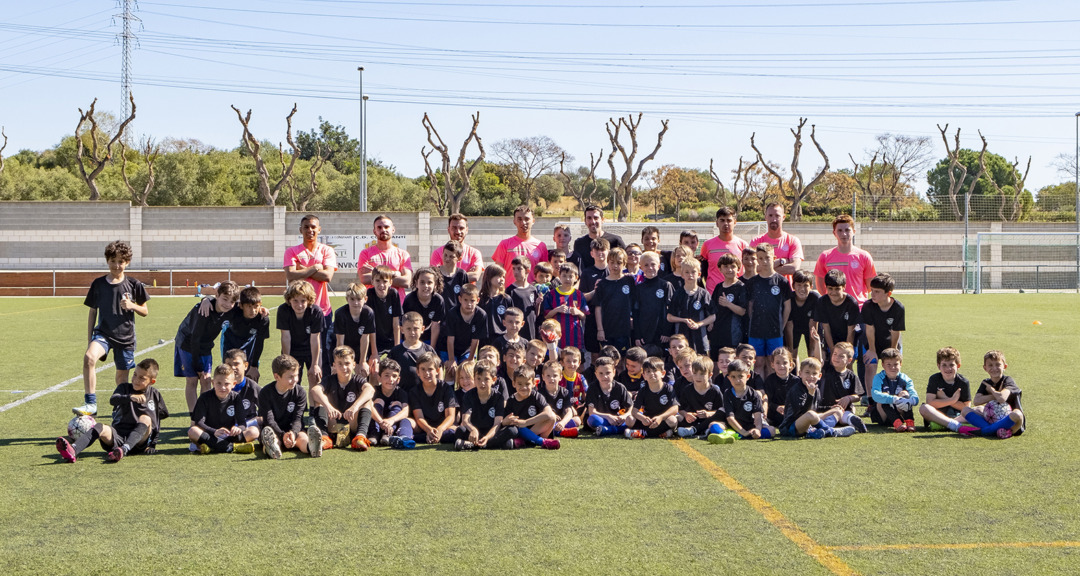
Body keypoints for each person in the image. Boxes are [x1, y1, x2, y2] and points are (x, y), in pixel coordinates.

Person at [75, 240, 150, 417]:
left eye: (121, 262)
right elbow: (93, 312)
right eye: (113, 261)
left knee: (121, 378)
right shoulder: (98, 284)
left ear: (127, 262)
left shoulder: (134, 285)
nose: (117, 265)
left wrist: (132, 305)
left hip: (125, 337)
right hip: (103, 334)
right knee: (89, 358)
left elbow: (145, 311)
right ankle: (90, 404)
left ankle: (119, 409)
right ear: (107, 261)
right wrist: (89, 340)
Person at [56, 358, 167, 463]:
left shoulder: (155, 395)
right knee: (100, 426)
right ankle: (73, 450)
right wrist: (129, 397)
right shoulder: (124, 388)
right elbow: (113, 400)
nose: (136, 380)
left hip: (138, 443)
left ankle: (124, 450)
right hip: (117, 436)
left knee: (146, 418)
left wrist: (152, 445)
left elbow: (157, 421)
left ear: (152, 381)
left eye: (142, 378)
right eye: (134, 375)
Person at [176, 281, 242, 412]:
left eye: (231, 301)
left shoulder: (230, 307)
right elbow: (195, 339)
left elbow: (247, 302)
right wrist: (197, 365)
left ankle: (203, 414)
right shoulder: (203, 311)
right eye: (225, 299)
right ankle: (193, 416)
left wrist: (262, 309)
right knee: (192, 380)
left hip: (206, 346)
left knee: (206, 380)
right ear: (217, 295)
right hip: (187, 344)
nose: (228, 304)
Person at [283, 214, 337, 374]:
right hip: (298, 311)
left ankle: (323, 396)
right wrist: (315, 268)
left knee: (323, 359)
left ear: (319, 229)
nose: (310, 230)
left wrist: (302, 269)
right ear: (300, 230)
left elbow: (327, 276)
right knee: (295, 359)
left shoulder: (327, 251)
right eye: (306, 227)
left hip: (322, 311)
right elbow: (290, 275)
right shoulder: (292, 251)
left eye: (313, 227)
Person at [309, 346, 375, 452]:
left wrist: (354, 407)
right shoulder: (329, 380)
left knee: (367, 401)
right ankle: (325, 438)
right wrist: (329, 407)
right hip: (334, 424)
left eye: (347, 363)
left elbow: (370, 389)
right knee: (319, 400)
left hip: (352, 423)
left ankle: (360, 437)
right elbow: (315, 390)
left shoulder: (357, 379)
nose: (344, 367)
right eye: (340, 364)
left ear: (354, 365)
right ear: (334, 365)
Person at [187, 364, 259, 454]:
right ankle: (232, 447)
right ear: (213, 383)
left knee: (254, 431)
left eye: (227, 384)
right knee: (192, 431)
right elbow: (199, 422)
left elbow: (242, 423)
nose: (223, 387)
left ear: (233, 384)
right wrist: (214, 431)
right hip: (210, 434)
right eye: (219, 383)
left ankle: (212, 446)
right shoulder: (204, 397)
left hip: (229, 435)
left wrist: (238, 429)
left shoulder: (236, 397)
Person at [745, 244, 793, 375]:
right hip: (756, 331)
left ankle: (772, 393)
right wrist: (754, 321)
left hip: (775, 331)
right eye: (760, 258)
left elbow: (787, 307)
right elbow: (750, 306)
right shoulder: (753, 282)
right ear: (757, 260)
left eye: (767, 257)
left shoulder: (782, 281)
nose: (764, 261)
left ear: (774, 257)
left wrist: (781, 325)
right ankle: (760, 392)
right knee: (758, 362)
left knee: (774, 363)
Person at [779, 357, 853, 439]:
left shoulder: (816, 389)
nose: (811, 376)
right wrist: (810, 394)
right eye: (807, 372)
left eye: (814, 373)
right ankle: (831, 431)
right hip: (791, 427)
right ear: (800, 374)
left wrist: (831, 408)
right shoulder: (796, 390)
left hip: (809, 423)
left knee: (838, 412)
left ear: (819, 376)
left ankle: (816, 433)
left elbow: (816, 408)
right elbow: (802, 413)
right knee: (811, 414)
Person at [258, 354, 315, 459]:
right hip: (274, 430)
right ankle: (273, 448)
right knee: (273, 438)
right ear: (277, 376)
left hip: (293, 430)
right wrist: (282, 435)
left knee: (302, 437)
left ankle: (311, 447)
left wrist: (293, 433)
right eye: (290, 377)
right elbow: (269, 420)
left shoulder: (300, 392)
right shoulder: (265, 393)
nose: (295, 380)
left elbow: (297, 418)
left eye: (296, 375)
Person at [959, 350, 1025, 438]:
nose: (994, 368)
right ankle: (994, 430)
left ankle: (983, 431)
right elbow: (977, 401)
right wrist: (994, 395)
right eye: (990, 365)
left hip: (1011, 422)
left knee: (1017, 414)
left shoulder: (1008, 380)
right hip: (992, 419)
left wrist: (992, 390)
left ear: (1004, 366)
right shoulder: (986, 382)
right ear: (985, 368)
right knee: (965, 410)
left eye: (998, 364)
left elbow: (1002, 398)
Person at [814, 214, 876, 305]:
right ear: (834, 233)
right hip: (833, 308)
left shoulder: (864, 256)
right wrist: (833, 299)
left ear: (854, 231)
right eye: (839, 230)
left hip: (858, 308)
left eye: (847, 230)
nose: (844, 234)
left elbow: (870, 286)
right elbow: (820, 285)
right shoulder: (825, 256)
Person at [455, 360, 516, 450]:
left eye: (486, 379)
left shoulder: (498, 397)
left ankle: (476, 444)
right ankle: (496, 444)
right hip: (474, 431)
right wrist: (473, 429)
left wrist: (487, 437)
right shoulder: (468, 395)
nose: (482, 383)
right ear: (474, 378)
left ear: (493, 380)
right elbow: (465, 420)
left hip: (491, 432)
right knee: (460, 431)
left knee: (513, 430)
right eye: (478, 379)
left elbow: (497, 424)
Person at [861, 273, 905, 395]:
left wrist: (893, 351)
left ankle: (893, 397)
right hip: (872, 341)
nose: (872, 294)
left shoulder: (898, 307)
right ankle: (870, 400)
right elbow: (869, 329)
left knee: (893, 368)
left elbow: (896, 332)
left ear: (888, 293)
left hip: (891, 342)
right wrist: (872, 350)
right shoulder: (868, 306)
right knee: (870, 365)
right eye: (872, 290)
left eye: (877, 292)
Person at [276, 280, 323, 389]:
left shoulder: (316, 312)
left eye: (303, 301)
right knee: (291, 380)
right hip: (293, 350)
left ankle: (314, 406)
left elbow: (315, 339)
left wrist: (315, 364)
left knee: (315, 378)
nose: (299, 305)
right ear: (289, 300)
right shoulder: (284, 310)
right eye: (295, 301)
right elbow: (285, 337)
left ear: (309, 300)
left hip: (311, 350)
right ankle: (294, 405)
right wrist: (287, 360)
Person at [357, 214, 413, 303]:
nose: (383, 230)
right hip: (373, 304)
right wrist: (395, 273)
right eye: (379, 227)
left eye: (386, 227)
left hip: (397, 305)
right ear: (374, 231)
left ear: (393, 229)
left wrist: (375, 273)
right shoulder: (365, 253)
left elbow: (406, 282)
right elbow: (364, 279)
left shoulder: (403, 254)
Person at [918, 346, 975, 433]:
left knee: (979, 410)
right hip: (938, 415)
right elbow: (930, 402)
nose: (948, 369)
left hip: (958, 416)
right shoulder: (934, 379)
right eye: (944, 365)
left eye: (951, 365)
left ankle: (946, 424)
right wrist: (952, 400)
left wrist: (945, 398)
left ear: (958, 365)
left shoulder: (963, 382)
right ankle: (954, 425)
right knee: (924, 408)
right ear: (938, 366)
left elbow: (966, 407)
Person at [220, 286, 271, 382]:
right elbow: (218, 303)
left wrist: (254, 366)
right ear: (241, 305)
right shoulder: (233, 310)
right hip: (230, 340)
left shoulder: (263, 319)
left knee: (251, 374)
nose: (253, 311)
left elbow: (259, 342)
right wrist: (205, 299)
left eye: (256, 306)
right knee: (230, 373)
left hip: (249, 342)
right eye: (249, 306)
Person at [503, 367, 562, 449]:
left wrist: (526, 422)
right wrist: (510, 421)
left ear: (534, 383)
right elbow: (507, 421)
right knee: (517, 426)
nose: (523, 387)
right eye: (520, 384)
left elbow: (548, 413)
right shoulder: (511, 400)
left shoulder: (536, 396)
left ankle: (531, 441)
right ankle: (543, 442)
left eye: (527, 384)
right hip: (520, 431)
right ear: (514, 383)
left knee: (552, 417)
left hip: (536, 428)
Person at [438, 283, 487, 379]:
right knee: (450, 369)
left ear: (477, 300)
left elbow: (475, 340)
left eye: (472, 301)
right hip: (447, 348)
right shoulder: (452, 314)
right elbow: (450, 339)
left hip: (466, 349)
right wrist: (452, 359)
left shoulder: (481, 315)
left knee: (468, 370)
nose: (469, 304)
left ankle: (465, 392)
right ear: (460, 299)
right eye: (465, 300)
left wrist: (470, 359)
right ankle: (451, 391)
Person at [408, 352, 458, 444]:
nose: (426, 373)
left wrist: (440, 429)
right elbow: (419, 417)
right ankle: (406, 439)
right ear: (418, 372)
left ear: (437, 371)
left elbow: (451, 416)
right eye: (423, 369)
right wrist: (429, 430)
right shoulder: (414, 391)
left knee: (456, 431)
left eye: (430, 369)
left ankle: (426, 438)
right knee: (407, 422)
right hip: (424, 428)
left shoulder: (446, 388)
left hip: (444, 428)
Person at [667, 259, 714, 356]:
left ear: (699, 274)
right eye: (687, 272)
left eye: (693, 272)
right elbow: (669, 317)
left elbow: (712, 317)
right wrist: (684, 320)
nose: (690, 275)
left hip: (700, 338)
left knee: (700, 365)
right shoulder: (678, 294)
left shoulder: (704, 294)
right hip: (681, 338)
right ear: (682, 275)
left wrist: (699, 324)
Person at [492, 204, 548, 286]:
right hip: (510, 294)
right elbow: (497, 273)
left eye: (527, 219)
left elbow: (545, 272)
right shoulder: (505, 244)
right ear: (514, 221)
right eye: (519, 219)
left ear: (533, 221)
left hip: (532, 294)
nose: (523, 222)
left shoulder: (541, 246)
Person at [594, 247, 635, 354]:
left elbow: (635, 302)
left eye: (619, 262)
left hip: (624, 330)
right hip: (607, 329)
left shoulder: (629, 280)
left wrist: (632, 318)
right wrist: (600, 329)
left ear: (624, 264)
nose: (615, 266)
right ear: (607, 263)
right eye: (612, 262)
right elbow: (598, 307)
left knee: (623, 360)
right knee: (608, 359)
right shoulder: (602, 284)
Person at [540, 262, 589, 354]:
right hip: (556, 336)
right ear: (559, 276)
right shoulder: (551, 294)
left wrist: (578, 312)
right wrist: (557, 310)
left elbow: (585, 316)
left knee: (576, 362)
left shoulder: (579, 294)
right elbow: (546, 316)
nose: (567, 279)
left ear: (576, 278)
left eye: (571, 276)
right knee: (557, 362)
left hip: (575, 337)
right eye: (564, 276)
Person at [368, 358, 416, 448]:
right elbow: (369, 406)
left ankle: (388, 435)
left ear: (398, 380)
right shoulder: (374, 390)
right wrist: (380, 421)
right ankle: (374, 435)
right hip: (378, 422)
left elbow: (405, 411)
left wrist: (391, 420)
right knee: (378, 402)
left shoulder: (401, 392)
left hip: (392, 424)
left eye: (394, 376)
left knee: (397, 404)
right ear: (379, 377)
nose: (391, 379)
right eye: (386, 375)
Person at [626, 357, 679, 439]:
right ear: (644, 376)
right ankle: (661, 433)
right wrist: (642, 418)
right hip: (648, 421)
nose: (651, 374)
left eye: (655, 370)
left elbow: (675, 408)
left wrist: (661, 417)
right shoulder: (643, 390)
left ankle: (643, 433)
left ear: (663, 373)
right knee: (629, 419)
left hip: (663, 420)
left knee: (672, 420)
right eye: (648, 371)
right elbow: (634, 411)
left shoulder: (668, 388)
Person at [721, 359, 774, 442]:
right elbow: (730, 418)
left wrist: (758, 430)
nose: (737, 380)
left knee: (772, 430)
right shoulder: (727, 394)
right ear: (729, 378)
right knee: (713, 426)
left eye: (740, 376)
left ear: (748, 376)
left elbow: (758, 416)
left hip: (750, 425)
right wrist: (744, 432)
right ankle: (741, 435)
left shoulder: (753, 394)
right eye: (733, 377)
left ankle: (739, 436)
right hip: (733, 426)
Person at [750, 203, 804, 283]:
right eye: (770, 215)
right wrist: (781, 261)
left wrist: (766, 268)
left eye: (777, 216)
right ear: (766, 217)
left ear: (783, 217)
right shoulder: (756, 241)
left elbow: (794, 268)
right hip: (762, 290)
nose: (774, 219)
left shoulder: (792, 240)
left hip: (786, 291)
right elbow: (753, 268)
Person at [632, 251, 673, 357]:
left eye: (653, 264)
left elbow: (671, 310)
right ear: (641, 267)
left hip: (661, 333)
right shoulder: (638, 288)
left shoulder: (666, 285)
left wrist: (667, 331)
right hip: (644, 333)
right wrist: (637, 335)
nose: (650, 268)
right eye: (646, 265)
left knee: (662, 360)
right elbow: (636, 313)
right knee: (645, 360)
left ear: (659, 266)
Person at [675, 355, 726, 438]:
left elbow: (721, 411)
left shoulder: (715, 390)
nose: (698, 377)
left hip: (709, 420)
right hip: (692, 421)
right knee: (677, 419)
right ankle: (704, 431)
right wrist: (687, 414)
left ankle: (695, 430)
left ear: (710, 375)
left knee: (718, 421)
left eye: (702, 374)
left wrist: (708, 414)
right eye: (695, 373)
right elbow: (681, 409)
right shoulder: (687, 390)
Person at [701, 207, 749, 294]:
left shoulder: (743, 245)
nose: (726, 223)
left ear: (735, 222)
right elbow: (704, 269)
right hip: (713, 293)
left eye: (729, 220)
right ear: (717, 223)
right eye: (722, 220)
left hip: (736, 293)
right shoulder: (707, 245)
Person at [814, 270, 860, 361]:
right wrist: (833, 351)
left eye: (837, 289)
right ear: (826, 287)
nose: (833, 292)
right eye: (830, 288)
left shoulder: (851, 303)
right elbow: (826, 329)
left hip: (848, 339)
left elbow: (851, 331)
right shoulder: (822, 302)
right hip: (832, 337)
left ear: (844, 287)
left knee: (847, 363)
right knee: (830, 363)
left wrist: (845, 352)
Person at [870, 348, 919, 432]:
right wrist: (894, 399)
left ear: (900, 364)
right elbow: (875, 395)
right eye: (888, 364)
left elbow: (914, 395)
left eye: (896, 364)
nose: (892, 367)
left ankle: (909, 422)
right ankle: (897, 423)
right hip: (883, 415)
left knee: (904, 393)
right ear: (883, 365)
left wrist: (912, 400)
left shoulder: (905, 378)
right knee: (884, 395)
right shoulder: (878, 378)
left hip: (900, 412)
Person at [334, 283, 377, 377]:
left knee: (364, 372)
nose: (355, 303)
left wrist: (362, 361)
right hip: (344, 345)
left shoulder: (368, 313)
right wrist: (340, 362)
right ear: (347, 299)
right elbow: (340, 342)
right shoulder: (340, 314)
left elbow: (365, 338)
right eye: (352, 299)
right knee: (340, 372)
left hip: (359, 346)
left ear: (365, 299)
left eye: (359, 299)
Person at [710, 253, 748, 359]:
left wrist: (728, 304)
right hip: (717, 333)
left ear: (738, 269)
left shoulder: (741, 287)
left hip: (733, 334)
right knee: (715, 363)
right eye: (726, 266)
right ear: (720, 269)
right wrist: (711, 322)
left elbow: (743, 311)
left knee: (732, 364)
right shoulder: (718, 287)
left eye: (733, 266)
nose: (729, 269)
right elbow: (712, 308)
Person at [389, 311, 439, 392]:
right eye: (408, 329)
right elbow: (388, 372)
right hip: (402, 394)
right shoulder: (395, 351)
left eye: (416, 329)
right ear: (402, 329)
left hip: (424, 395)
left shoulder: (428, 350)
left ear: (422, 329)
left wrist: (438, 389)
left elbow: (438, 369)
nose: (412, 332)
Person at [584, 356, 633, 436]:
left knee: (632, 419)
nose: (605, 377)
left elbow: (630, 407)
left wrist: (624, 416)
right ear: (596, 374)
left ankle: (607, 430)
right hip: (602, 419)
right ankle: (615, 429)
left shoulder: (620, 387)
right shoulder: (593, 388)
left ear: (614, 372)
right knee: (592, 419)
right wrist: (608, 417)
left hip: (617, 419)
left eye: (608, 373)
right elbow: (592, 412)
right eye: (601, 373)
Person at [430, 213, 484, 282]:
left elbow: (475, 276)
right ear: (448, 229)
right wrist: (465, 275)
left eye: (461, 228)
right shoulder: (437, 253)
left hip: (467, 292)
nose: (458, 232)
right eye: (454, 228)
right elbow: (434, 277)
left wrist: (446, 274)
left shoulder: (474, 253)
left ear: (466, 230)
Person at [570, 204, 625, 269]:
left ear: (602, 220)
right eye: (589, 218)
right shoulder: (579, 243)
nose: (593, 221)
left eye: (596, 218)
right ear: (585, 221)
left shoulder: (616, 241)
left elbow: (626, 261)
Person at [402, 267, 445, 346]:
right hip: (410, 335)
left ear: (435, 285)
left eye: (429, 282)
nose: (426, 286)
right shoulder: (410, 300)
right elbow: (406, 324)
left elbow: (435, 325)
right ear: (416, 283)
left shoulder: (438, 300)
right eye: (422, 282)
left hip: (429, 337)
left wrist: (432, 348)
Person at [538, 359, 580, 438]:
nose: (552, 379)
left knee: (577, 420)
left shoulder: (565, 392)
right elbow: (541, 412)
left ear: (560, 377)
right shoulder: (539, 393)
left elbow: (569, 411)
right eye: (548, 376)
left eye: (555, 376)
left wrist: (563, 423)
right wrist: (552, 415)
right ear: (543, 377)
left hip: (560, 422)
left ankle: (559, 429)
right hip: (547, 422)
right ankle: (563, 432)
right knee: (544, 424)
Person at [368, 266, 404, 355]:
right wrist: (374, 352)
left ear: (390, 282)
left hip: (391, 340)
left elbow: (396, 324)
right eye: (377, 281)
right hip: (375, 340)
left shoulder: (393, 294)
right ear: (372, 281)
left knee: (396, 365)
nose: (381, 285)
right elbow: (369, 325)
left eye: (385, 281)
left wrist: (397, 347)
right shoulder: (369, 294)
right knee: (373, 366)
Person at [786, 270, 821, 361]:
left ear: (811, 287)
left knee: (812, 354)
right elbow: (789, 325)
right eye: (799, 285)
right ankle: (795, 373)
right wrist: (790, 348)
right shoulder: (789, 298)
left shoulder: (815, 298)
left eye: (806, 285)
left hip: (810, 327)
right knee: (792, 354)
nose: (802, 289)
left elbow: (813, 325)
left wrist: (812, 351)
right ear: (793, 286)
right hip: (794, 326)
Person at [761, 348, 800, 429]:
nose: (781, 366)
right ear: (772, 365)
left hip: (792, 413)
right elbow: (768, 401)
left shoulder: (797, 381)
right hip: (774, 415)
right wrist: (777, 407)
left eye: (785, 363)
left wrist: (789, 407)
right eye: (777, 363)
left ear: (791, 364)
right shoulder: (769, 381)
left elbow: (800, 400)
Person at [223, 349, 260, 429]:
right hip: (227, 425)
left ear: (246, 365)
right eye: (229, 364)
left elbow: (266, 408)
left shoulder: (252, 387)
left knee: (258, 424)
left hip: (248, 423)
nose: (232, 367)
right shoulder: (221, 387)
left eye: (236, 364)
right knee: (194, 431)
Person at [507, 256, 542, 342]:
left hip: (531, 328)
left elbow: (536, 313)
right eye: (514, 269)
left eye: (519, 269)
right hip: (517, 330)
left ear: (527, 270)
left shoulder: (533, 289)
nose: (516, 272)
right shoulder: (510, 290)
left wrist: (538, 304)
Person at [478, 264, 513, 345]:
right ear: (489, 277)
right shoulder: (480, 299)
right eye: (499, 276)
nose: (502, 280)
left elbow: (511, 318)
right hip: (484, 339)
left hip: (502, 338)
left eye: (503, 277)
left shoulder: (506, 299)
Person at [436, 240, 471, 314]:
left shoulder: (462, 275)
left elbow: (466, 297)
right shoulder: (435, 273)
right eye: (445, 255)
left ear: (459, 259)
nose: (447, 259)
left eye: (451, 256)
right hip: (439, 316)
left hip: (456, 317)